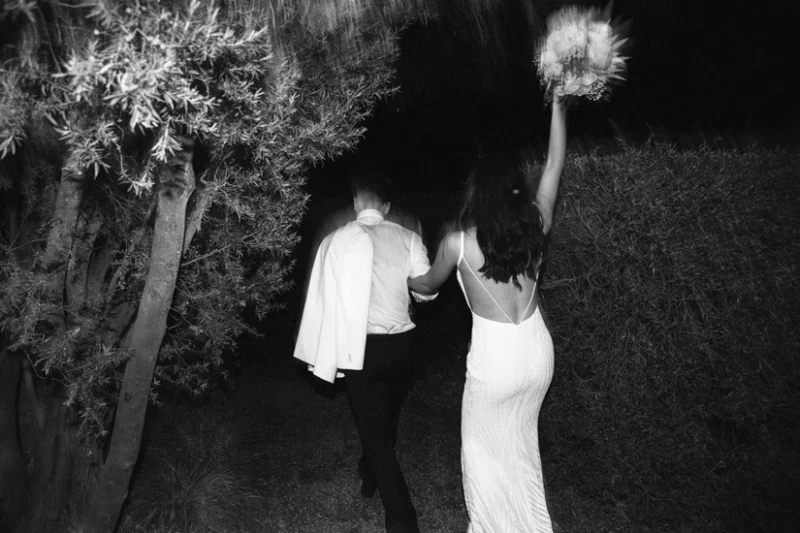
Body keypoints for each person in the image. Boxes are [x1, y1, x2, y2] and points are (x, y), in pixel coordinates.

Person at [407, 95, 567, 533]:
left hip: (496, 363)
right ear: (517, 188)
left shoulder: (459, 243)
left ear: (477, 192)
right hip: (536, 356)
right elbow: (553, 164)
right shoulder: (536, 220)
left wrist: (409, 279)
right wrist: (557, 103)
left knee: (482, 461)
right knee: (520, 451)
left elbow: (425, 286)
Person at [294, 176, 435, 533]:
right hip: (404, 346)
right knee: (385, 422)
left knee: (377, 428)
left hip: (363, 350)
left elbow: (323, 300)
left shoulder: (336, 240)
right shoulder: (409, 238)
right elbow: (426, 295)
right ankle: (371, 474)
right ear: (386, 206)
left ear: (357, 202)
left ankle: (401, 517)